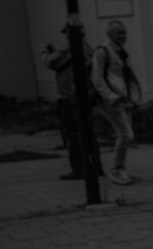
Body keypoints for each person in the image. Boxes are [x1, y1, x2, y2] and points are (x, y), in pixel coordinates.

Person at [40, 24, 103, 180]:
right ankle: (95, 166)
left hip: (69, 96)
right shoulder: (87, 47)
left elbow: (50, 63)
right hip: (84, 95)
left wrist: (44, 51)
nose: (65, 36)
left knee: (73, 135)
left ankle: (78, 169)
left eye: (66, 32)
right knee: (88, 133)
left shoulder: (69, 47)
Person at [92, 20, 140, 186]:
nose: (123, 36)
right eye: (119, 33)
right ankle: (116, 169)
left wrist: (133, 98)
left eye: (124, 32)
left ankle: (121, 169)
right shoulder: (102, 52)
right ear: (109, 34)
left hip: (125, 99)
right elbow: (97, 78)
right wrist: (110, 97)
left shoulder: (122, 53)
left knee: (125, 136)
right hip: (113, 101)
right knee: (126, 135)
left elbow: (129, 77)